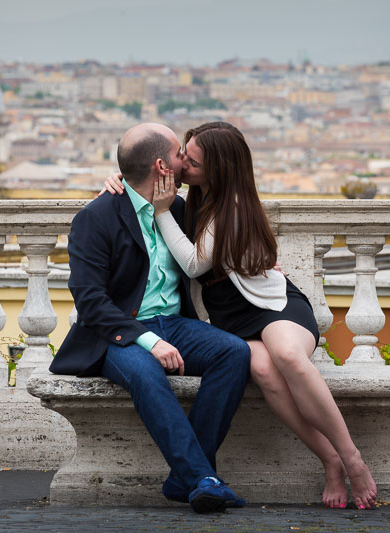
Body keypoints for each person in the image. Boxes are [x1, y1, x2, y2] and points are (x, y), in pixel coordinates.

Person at [103, 122, 378, 510]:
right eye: (184, 153)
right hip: (233, 318)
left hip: (272, 307)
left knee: (286, 356)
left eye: (192, 161)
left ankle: (351, 458)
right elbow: (141, 182)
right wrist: (123, 179)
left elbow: (194, 264)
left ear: (218, 169)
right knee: (262, 370)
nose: (182, 165)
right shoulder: (194, 195)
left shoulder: (228, 206)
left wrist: (162, 211)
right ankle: (329, 460)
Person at [49, 122, 252, 514]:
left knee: (234, 353)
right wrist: (149, 341)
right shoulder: (97, 217)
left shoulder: (177, 207)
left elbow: (223, 228)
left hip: (175, 323)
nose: (185, 162)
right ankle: (202, 478)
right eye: (180, 155)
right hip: (118, 334)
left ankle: (187, 478)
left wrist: (262, 261)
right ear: (163, 166)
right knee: (145, 372)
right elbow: (91, 302)